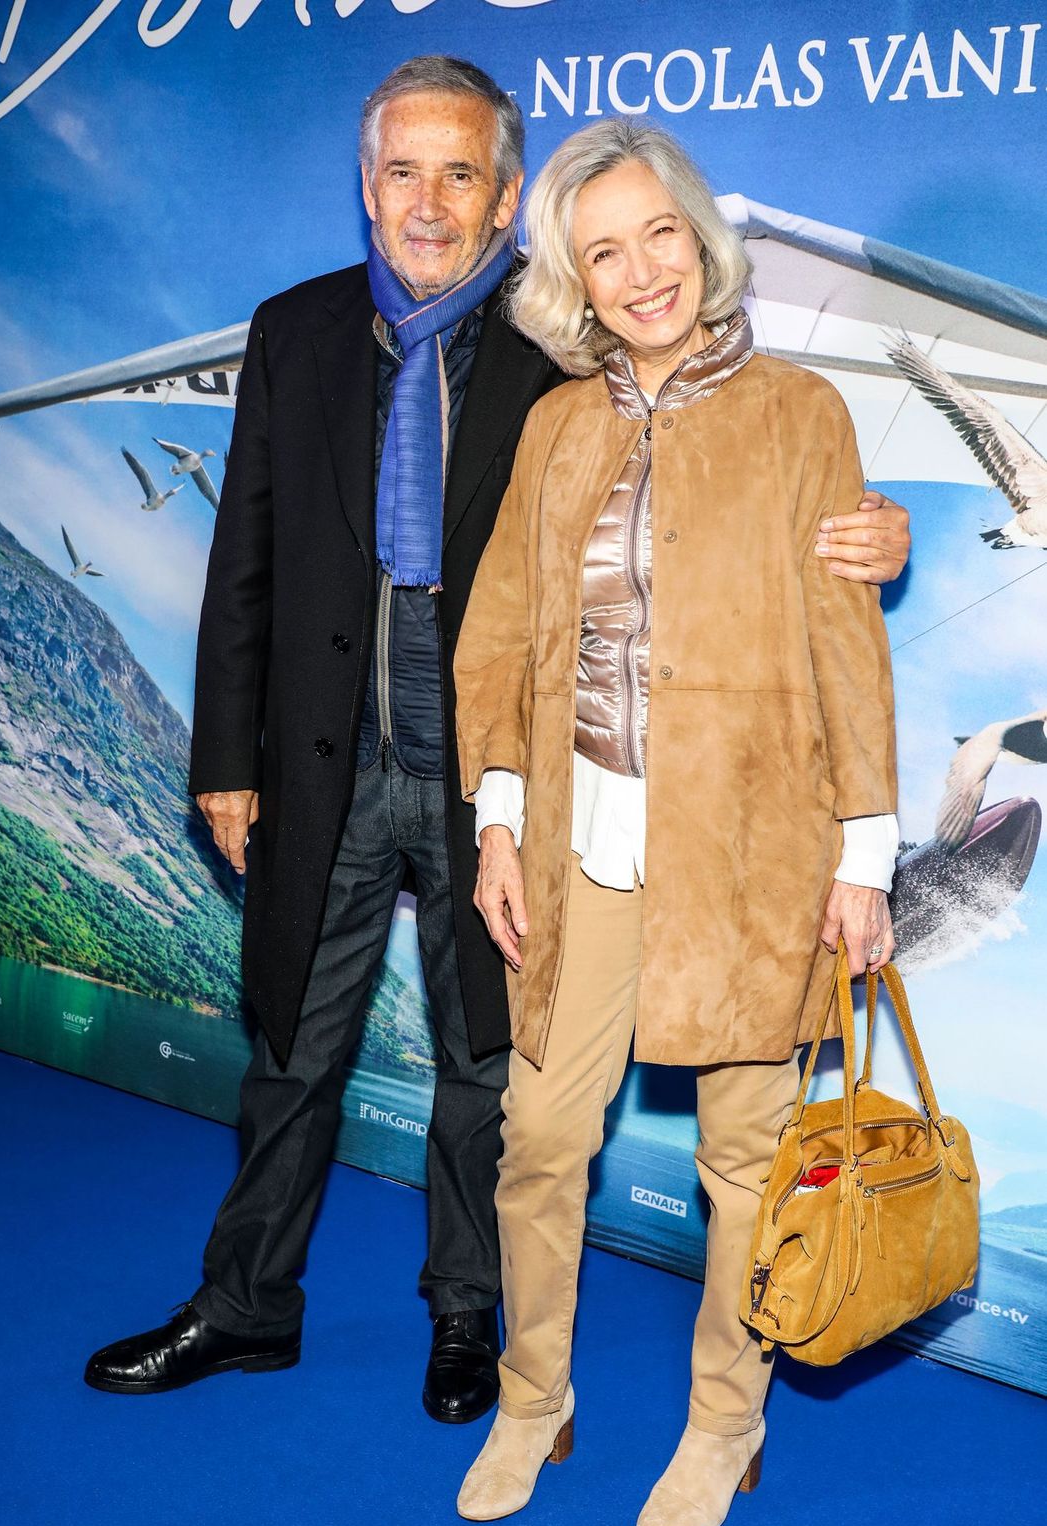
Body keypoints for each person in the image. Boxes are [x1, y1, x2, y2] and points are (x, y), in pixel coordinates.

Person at [84, 62, 910, 1423]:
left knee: (489, 1077)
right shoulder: (290, 334)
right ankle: (244, 1309)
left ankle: (467, 1319)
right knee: (291, 1050)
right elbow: (244, 559)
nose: (426, 200)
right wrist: (221, 758)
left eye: (458, 172)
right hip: (325, 770)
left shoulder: (567, 356)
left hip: (495, 786)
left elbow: (712, 486)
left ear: (504, 193)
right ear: (366, 186)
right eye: (400, 171)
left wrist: (873, 530)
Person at [453, 118, 899, 1526]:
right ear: (570, 282)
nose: (639, 270)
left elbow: (846, 652)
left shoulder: (798, 414)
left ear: (697, 239)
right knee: (535, 1134)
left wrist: (865, 857)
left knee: (744, 1160)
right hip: (584, 845)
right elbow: (506, 633)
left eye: (657, 234)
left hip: (750, 851)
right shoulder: (553, 424)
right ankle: (536, 1401)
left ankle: (725, 1422)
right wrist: (499, 824)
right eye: (602, 250)